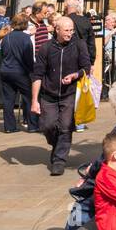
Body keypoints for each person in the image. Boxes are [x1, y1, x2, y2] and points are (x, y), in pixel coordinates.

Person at [30, 15, 92, 174]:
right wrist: (34, 101)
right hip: (48, 94)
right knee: (47, 126)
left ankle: (59, 161)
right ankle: (56, 145)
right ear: (56, 30)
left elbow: (86, 68)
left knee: (65, 127)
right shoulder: (46, 48)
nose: (69, 33)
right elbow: (37, 75)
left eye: (71, 30)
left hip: (70, 93)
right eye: (66, 30)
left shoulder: (79, 45)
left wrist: (75, 75)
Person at [0, 11, 39, 133]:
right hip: (20, 72)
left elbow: (3, 54)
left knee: (8, 100)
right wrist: (32, 72)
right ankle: (33, 125)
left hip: (5, 71)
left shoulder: (6, 38)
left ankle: (9, 127)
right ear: (25, 24)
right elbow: (28, 58)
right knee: (29, 97)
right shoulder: (26, 39)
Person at [62, 0, 97, 65]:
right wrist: (92, 61)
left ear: (65, 7)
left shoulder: (63, 21)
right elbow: (91, 43)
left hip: (67, 59)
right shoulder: (85, 21)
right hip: (84, 58)